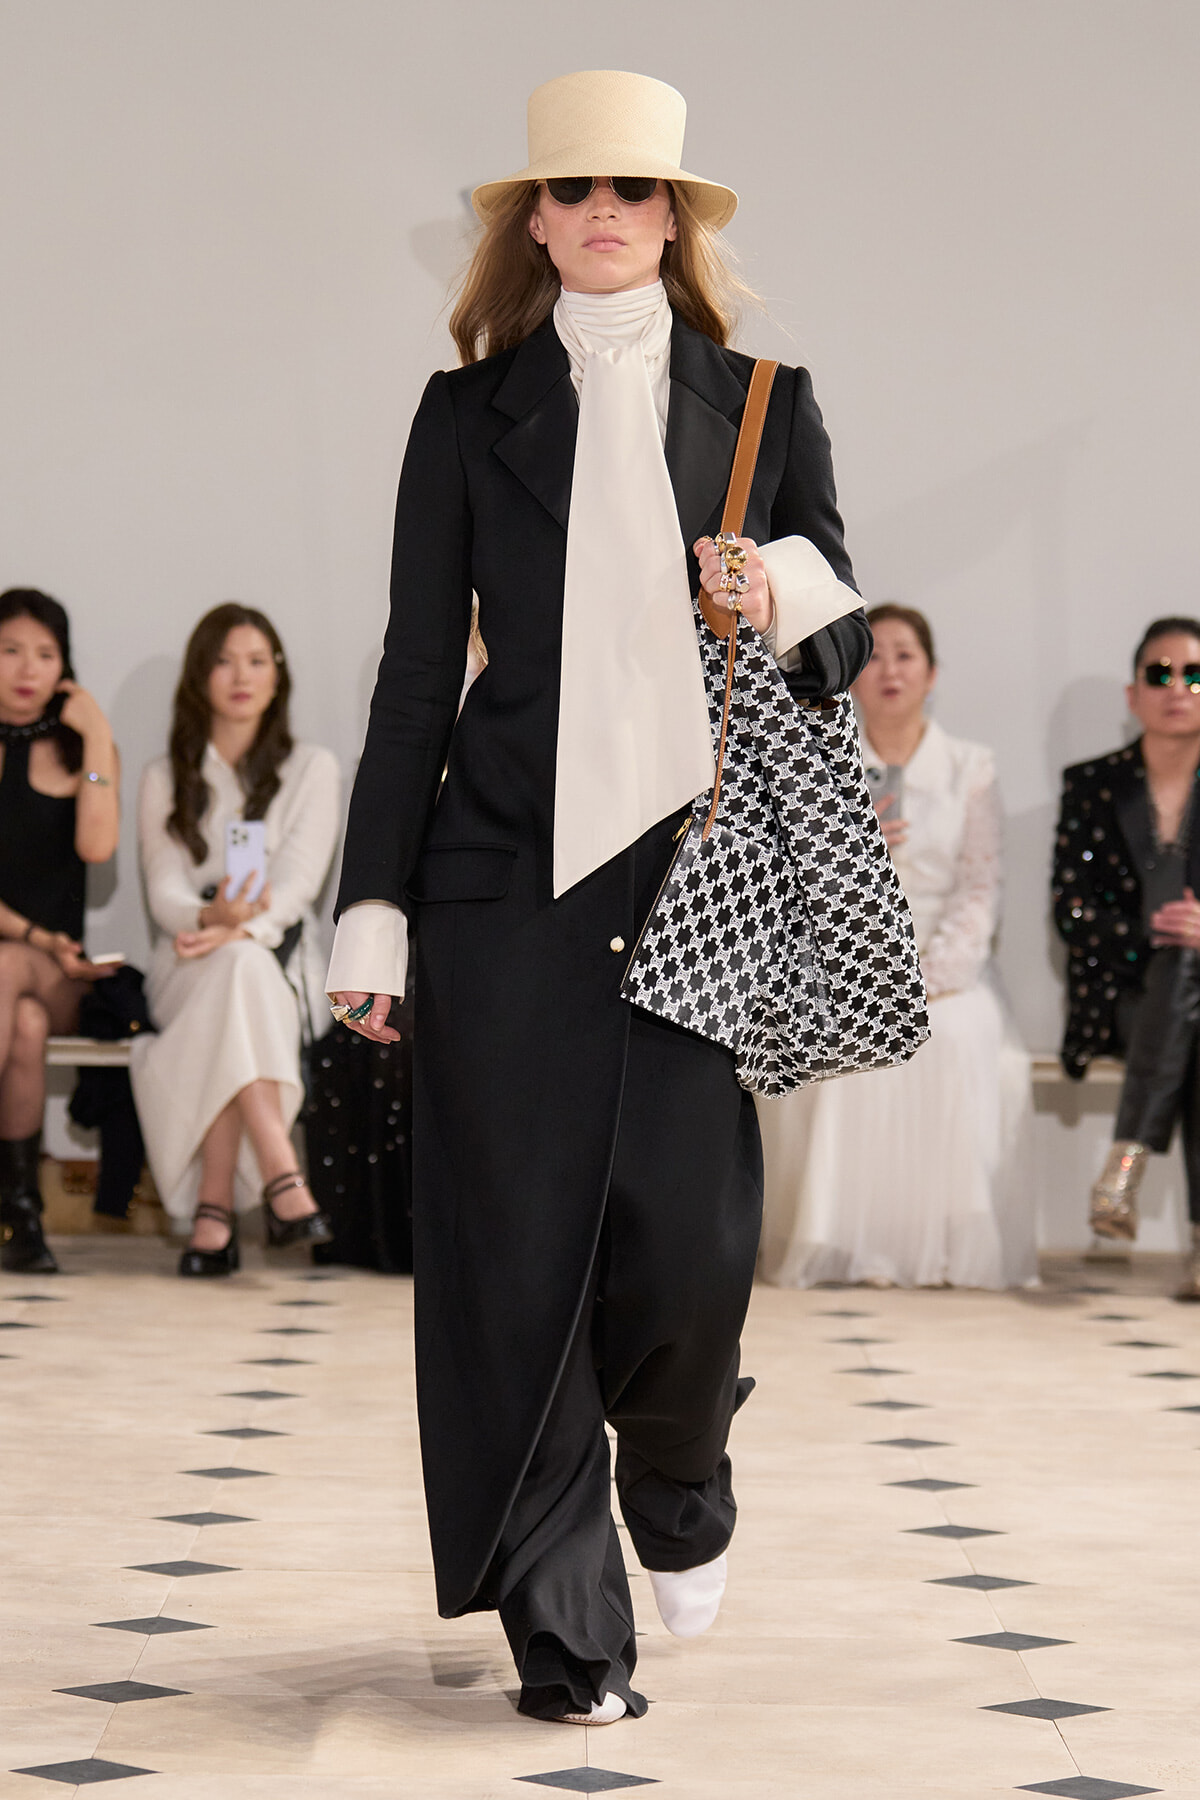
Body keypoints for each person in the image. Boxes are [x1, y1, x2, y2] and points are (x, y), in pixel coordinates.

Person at [326, 70, 868, 1725]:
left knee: (688, 1257)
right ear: (536, 221)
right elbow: (419, 679)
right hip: (503, 886)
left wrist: (767, 580)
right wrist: (375, 915)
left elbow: (840, 657)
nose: (605, 213)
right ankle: (569, 1634)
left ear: (676, 217)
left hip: (694, 878)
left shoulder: (766, 398)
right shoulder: (461, 415)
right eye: (574, 192)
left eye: (636, 189)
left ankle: (684, 1473)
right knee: (513, 1258)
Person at [758, 605, 1036, 1290]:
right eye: (874, 654)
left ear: (931, 673)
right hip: (836, 951)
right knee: (834, 1031)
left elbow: (980, 890)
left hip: (946, 964)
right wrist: (855, 848)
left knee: (960, 1033)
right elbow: (787, 880)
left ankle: (941, 1243)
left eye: (905, 655)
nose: (889, 669)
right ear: (851, 673)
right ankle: (838, 1242)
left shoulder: (971, 767)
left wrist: (926, 975)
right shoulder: (818, 761)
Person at [131, 603, 339, 1277]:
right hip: (186, 961)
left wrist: (239, 930)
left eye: (257, 660)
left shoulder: (313, 769)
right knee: (232, 978)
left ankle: (213, 1212)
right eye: (223, 661)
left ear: (278, 675)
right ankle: (282, 1169)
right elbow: (164, 892)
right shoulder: (166, 776)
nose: (241, 676)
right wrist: (206, 923)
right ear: (199, 677)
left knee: (243, 972)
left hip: (279, 964)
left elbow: (299, 882)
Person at [1054, 615, 1200, 1302]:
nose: (1179, 687)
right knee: (1183, 967)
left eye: (1195, 674)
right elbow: (1072, 912)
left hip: (1176, 1016)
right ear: (1133, 693)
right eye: (1160, 674)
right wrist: (1160, 935)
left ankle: (1125, 1162)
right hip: (1120, 999)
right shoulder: (1092, 785)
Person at [0, 588, 120, 1273]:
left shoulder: (84, 750)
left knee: (14, 977)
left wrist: (98, 736)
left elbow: (98, 846)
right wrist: (33, 936)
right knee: (19, 1023)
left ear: (63, 666)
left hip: (64, 976)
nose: (27, 668)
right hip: (29, 966)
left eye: (45, 654)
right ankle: (22, 1213)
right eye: (11, 650)